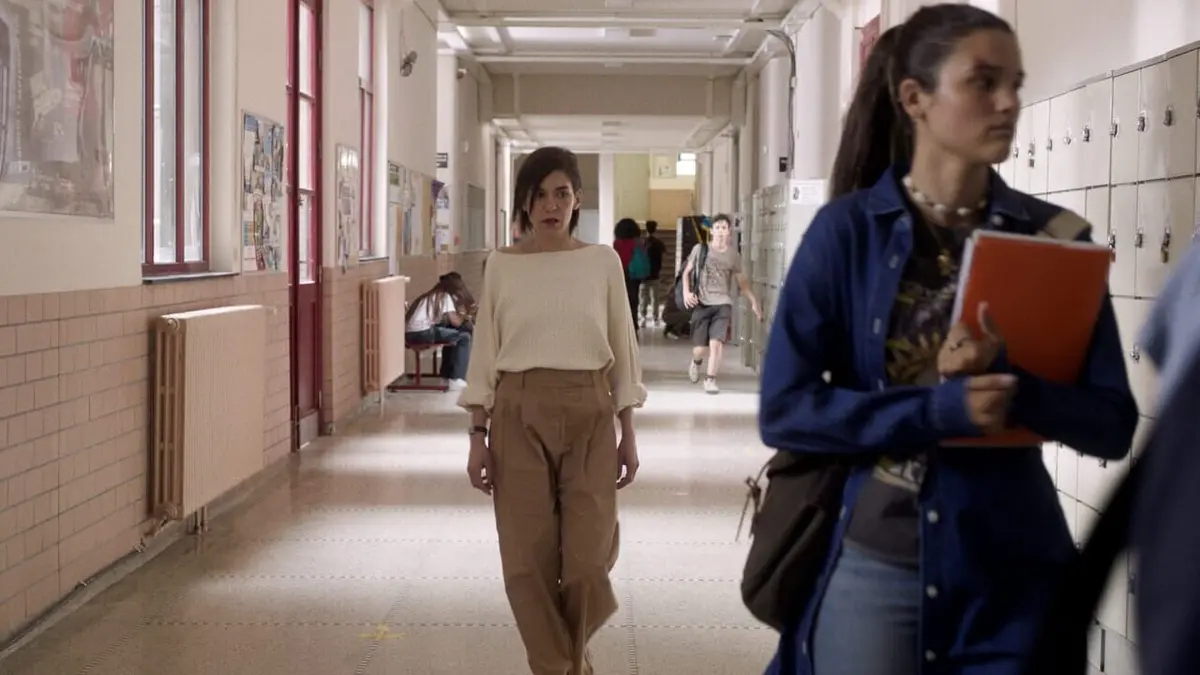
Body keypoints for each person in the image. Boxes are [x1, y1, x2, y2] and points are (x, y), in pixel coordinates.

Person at [757, 5, 1138, 675]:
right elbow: (786, 410)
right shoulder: (848, 234)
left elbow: (1112, 424)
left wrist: (1013, 388)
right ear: (915, 99)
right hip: (879, 563)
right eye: (984, 82)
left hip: (1013, 575)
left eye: (1015, 84)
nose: (1008, 103)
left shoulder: (1054, 240)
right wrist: (939, 410)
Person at [458, 146, 646, 675]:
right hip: (517, 413)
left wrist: (628, 431)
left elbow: (623, 349)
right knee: (526, 562)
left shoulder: (602, 262)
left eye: (561, 194)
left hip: (590, 411)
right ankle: (560, 666)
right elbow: (485, 353)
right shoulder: (502, 266)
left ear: (577, 199)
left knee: (588, 563)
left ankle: (562, 659)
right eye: (539, 195)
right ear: (524, 202)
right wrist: (477, 436)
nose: (550, 205)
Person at [680, 214, 760, 394]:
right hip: (702, 303)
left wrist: (753, 301)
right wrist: (686, 292)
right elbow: (686, 273)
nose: (721, 231)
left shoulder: (733, 256)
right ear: (712, 231)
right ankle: (696, 362)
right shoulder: (700, 249)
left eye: (724, 228)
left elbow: (742, 282)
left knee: (716, 344)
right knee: (700, 350)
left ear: (729, 231)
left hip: (723, 304)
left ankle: (710, 379)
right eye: (717, 227)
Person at [404, 272, 475, 390]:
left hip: (410, 334)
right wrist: (464, 315)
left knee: (451, 335)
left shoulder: (431, 295)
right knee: (464, 337)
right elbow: (456, 322)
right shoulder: (444, 296)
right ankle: (457, 378)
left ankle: (446, 375)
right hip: (422, 334)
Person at [612, 218, 646, 329]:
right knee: (633, 300)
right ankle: (633, 325)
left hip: (620, 273)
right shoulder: (638, 243)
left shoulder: (617, 243)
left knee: (620, 301)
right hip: (634, 275)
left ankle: (621, 325)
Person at [639, 220, 667, 325]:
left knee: (643, 298)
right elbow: (664, 256)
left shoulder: (642, 243)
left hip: (643, 276)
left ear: (646, 229)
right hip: (655, 275)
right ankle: (655, 319)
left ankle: (643, 318)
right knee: (655, 298)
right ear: (655, 229)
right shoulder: (659, 243)